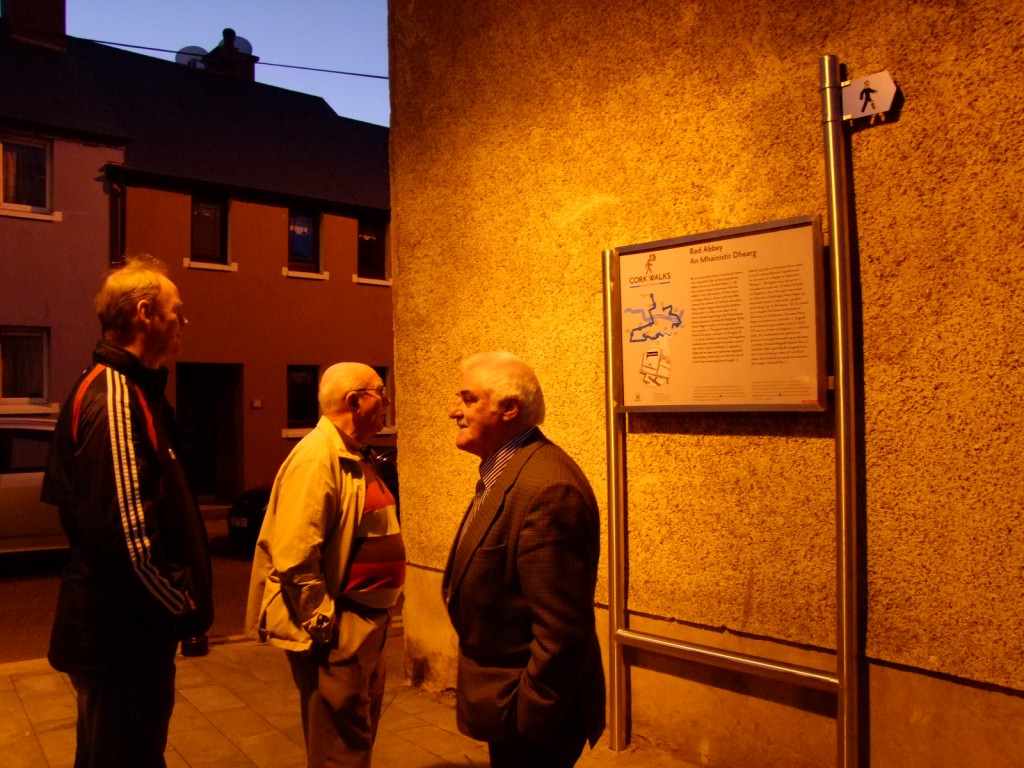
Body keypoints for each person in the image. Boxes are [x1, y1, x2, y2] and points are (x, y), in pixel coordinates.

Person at [42, 254, 213, 768]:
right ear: (145, 313)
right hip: (121, 638)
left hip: (122, 633)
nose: (184, 323)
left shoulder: (134, 390)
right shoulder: (115, 396)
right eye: (176, 312)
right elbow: (128, 539)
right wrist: (183, 602)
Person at [443, 351, 606, 768]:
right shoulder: (507, 470)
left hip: (532, 720)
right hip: (506, 705)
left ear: (509, 409)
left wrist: (529, 721)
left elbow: (562, 633)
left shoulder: (547, 489)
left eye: (467, 399)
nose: (453, 411)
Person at [246, 363, 404, 768]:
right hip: (343, 626)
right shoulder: (318, 459)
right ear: (355, 401)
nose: (386, 402)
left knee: (354, 735)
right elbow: (296, 554)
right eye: (380, 392)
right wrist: (325, 623)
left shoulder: (352, 451)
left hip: (366, 622)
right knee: (339, 750)